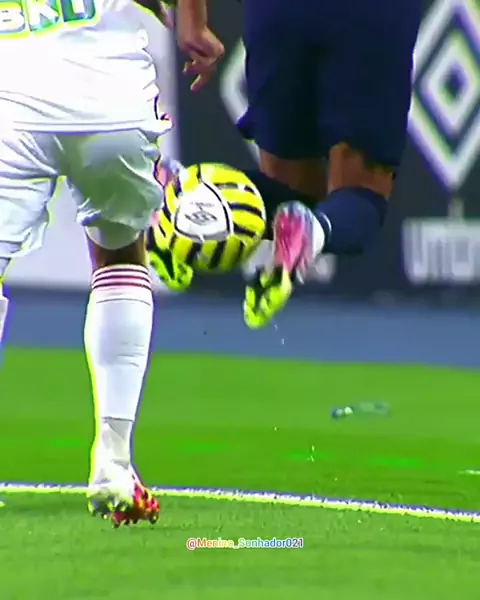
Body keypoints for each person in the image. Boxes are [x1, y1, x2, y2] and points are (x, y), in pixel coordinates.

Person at [0, 0, 222, 526]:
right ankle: (114, 463)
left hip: (13, 94)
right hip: (110, 92)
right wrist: (192, 23)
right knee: (121, 255)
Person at [235, 0, 423, 328]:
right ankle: (313, 231)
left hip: (275, 11)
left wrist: (192, 16)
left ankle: (187, 197)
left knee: (289, 191)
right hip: (369, 12)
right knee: (361, 192)